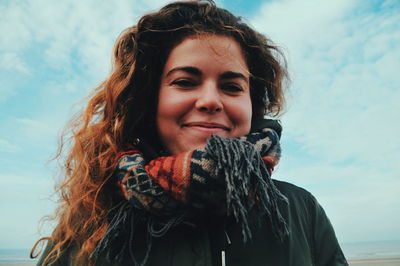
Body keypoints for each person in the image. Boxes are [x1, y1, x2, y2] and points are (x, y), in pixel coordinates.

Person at [32, 1, 348, 265]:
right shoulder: (89, 221)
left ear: (253, 105)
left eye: (231, 86)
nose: (210, 100)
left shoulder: (301, 211)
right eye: (185, 81)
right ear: (150, 99)